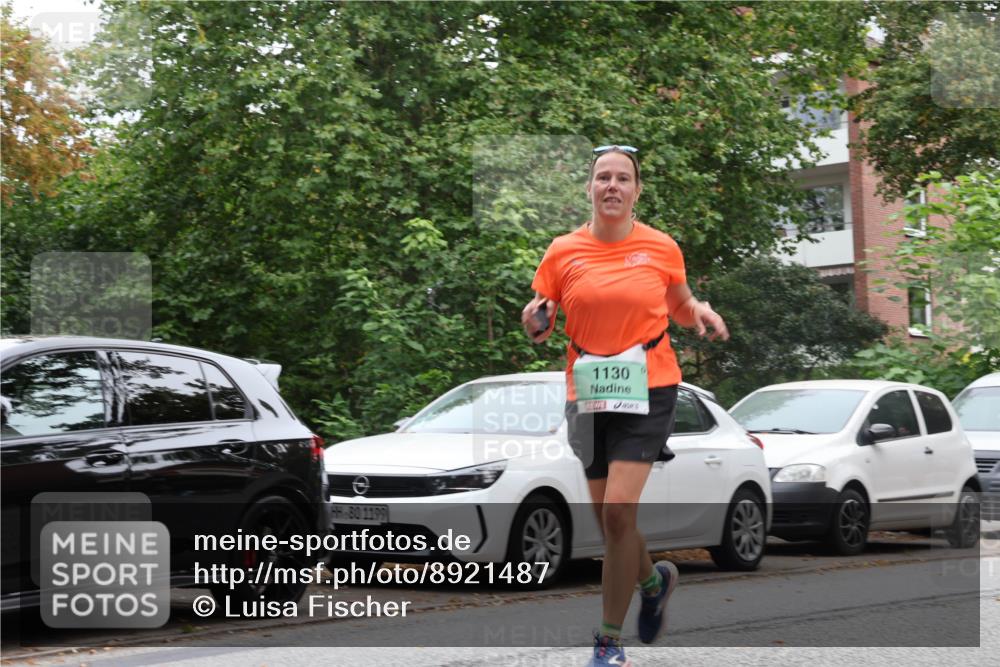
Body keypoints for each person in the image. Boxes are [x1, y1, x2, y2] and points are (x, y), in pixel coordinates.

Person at [521, 145, 729, 666]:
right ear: (590, 188)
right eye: (602, 178)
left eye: (622, 179)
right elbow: (541, 316)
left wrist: (698, 309)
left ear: (636, 191)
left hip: (650, 384)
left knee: (618, 511)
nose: (612, 186)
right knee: (609, 521)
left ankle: (608, 644)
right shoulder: (563, 250)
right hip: (587, 389)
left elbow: (679, 306)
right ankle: (654, 582)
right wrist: (535, 320)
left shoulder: (660, 247)